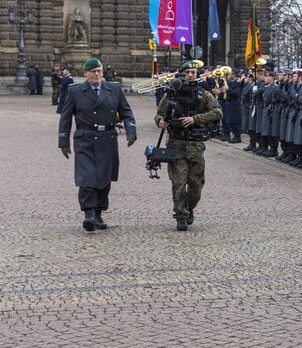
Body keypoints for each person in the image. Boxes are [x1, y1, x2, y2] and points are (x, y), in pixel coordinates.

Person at [57, 57, 136, 232]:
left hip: (107, 137)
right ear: (85, 73)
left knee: (104, 177)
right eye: (93, 72)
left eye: (99, 71)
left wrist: (131, 130)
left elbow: (126, 112)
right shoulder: (76, 91)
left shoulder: (114, 89)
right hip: (85, 137)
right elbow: (65, 117)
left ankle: (98, 212)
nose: (96, 74)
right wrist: (63, 140)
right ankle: (89, 214)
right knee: (87, 178)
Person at [155, 60, 223, 231]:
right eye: (187, 73)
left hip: (195, 145)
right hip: (176, 143)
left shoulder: (204, 95)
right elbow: (158, 114)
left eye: (193, 72)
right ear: (181, 75)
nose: (190, 75)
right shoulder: (171, 94)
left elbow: (217, 112)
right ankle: (180, 215)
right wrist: (161, 122)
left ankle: (189, 208)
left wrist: (196, 119)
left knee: (196, 185)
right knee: (178, 182)